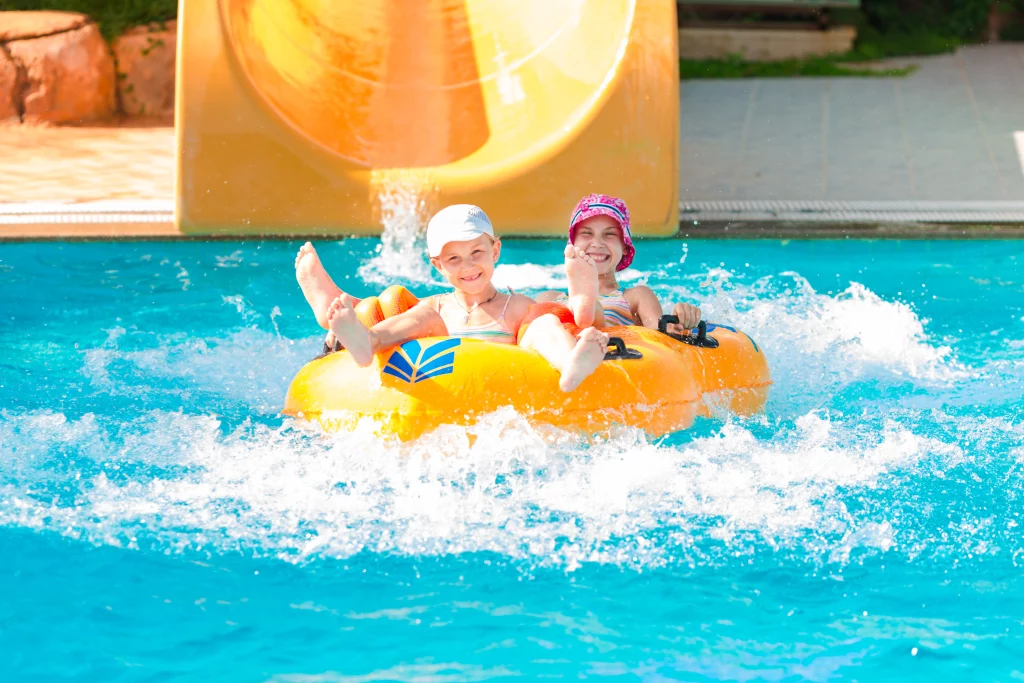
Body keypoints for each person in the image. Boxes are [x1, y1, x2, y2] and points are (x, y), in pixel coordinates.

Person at [295, 204, 610, 392]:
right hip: (442, 385)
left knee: (544, 322)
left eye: (476, 252)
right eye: (454, 259)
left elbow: (545, 325)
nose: (469, 266)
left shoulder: (515, 307)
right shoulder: (437, 307)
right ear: (437, 265)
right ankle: (364, 341)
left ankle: (571, 364)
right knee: (417, 313)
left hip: (506, 387)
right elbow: (419, 317)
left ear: (495, 250)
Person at [537, 193, 702, 335]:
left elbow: (660, 335)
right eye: (587, 233)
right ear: (572, 243)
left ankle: (587, 307)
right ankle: (580, 305)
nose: (597, 243)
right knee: (541, 318)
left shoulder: (636, 297)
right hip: (562, 347)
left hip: (606, 346)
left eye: (609, 234)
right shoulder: (550, 298)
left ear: (624, 246)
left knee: (589, 317)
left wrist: (680, 321)